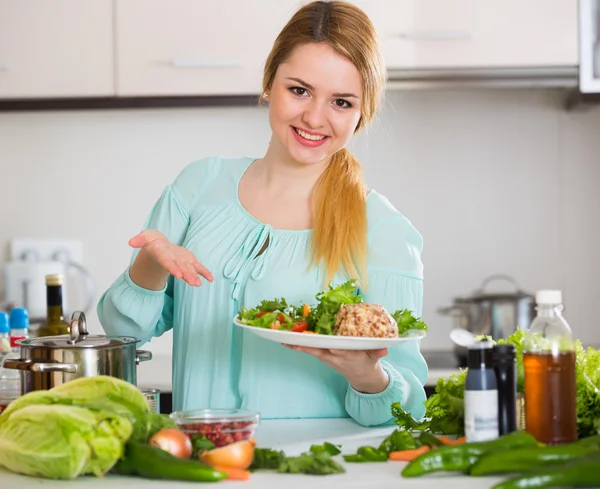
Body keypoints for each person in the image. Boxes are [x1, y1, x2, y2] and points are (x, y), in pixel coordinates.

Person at [98, 0, 427, 427]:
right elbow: (122, 333)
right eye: (299, 90)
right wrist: (149, 262)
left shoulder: (384, 230)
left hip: (314, 469)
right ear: (269, 82)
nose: (314, 116)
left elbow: (407, 410)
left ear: (363, 112)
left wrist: (369, 376)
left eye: (341, 102)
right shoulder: (199, 186)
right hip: (204, 462)